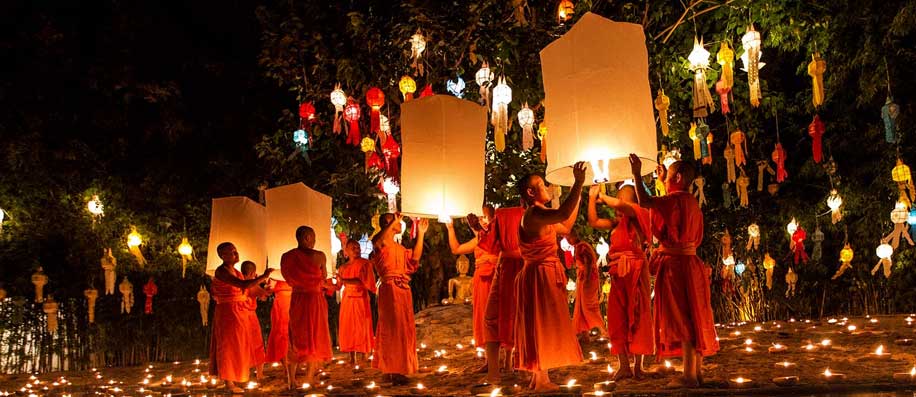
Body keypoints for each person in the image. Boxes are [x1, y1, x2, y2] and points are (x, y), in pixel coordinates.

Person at [626, 154, 719, 388]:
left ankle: (688, 376)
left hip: (676, 268)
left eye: (667, 177)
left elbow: (646, 201)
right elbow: (667, 207)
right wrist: (661, 181)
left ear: (677, 177)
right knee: (695, 315)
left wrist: (637, 173)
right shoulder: (690, 201)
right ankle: (695, 372)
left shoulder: (674, 200)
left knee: (682, 318)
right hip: (692, 264)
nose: (664, 180)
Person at [514, 162, 587, 392]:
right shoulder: (534, 213)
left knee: (542, 322)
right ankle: (541, 379)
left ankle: (539, 377)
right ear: (530, 192)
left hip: (542, 273)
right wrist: (577, 182)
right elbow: (563, 213)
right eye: (541, 184)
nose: (547, 187)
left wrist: (581, 191)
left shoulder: (542, 214)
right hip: (539, 275)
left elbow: (565, 225)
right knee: (540, 322)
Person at [587, 181, 654, 380]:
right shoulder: (616, 224)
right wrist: (592, 198)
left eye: (623, 199)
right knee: (617, 317)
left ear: (634, 203)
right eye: (618, 197)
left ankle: (638, 366)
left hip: (636, 273)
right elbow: (593, 222)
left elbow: (622, 206)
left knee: (639, 315)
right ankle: (623, 365)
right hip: (617, 275)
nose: (618, 203)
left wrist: (606, 198)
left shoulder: (640, 217)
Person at [371, 213, 429, 385]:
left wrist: (421, 233)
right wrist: (395, 220)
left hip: (403, 288)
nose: (401, 223)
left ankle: (399, 368)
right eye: (397, 221)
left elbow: (415, 259)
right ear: (388, 223)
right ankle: (390, 369)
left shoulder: (399, 247)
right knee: (391, 328)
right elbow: (379, 242)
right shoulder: (379, 241)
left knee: (403, 329)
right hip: (389, 287)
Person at [208, 242, 273, 393]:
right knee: (228, 346)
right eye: (232, 252)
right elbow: (243, 285)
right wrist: (263, 277)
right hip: (227, 312)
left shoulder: (236, 271)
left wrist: (264, 292)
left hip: (239, 312)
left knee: (239, 345)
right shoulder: (221, 272)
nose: (236, 255)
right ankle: (228, 382)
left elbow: (249, 288)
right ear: (223, 256)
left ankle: (238, 376)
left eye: (236, 251)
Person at [280, 226, 333, 389]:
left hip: (297, 299)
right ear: (307, 237)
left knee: (296, 336)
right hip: (314, 299)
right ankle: (309, 376)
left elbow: (287, 277)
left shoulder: (287, 257)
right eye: (314, 237)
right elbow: (324, 276)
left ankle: (291, 380)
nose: (315, 240)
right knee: (315, 336)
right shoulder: (319, 256)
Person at [480, 205, 526, 383]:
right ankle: (494, 371)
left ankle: (521, 367)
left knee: (522, 320)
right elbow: (491, 243)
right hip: (505, 266)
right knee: (492, 318)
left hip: (525, 267)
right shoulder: (504, 215)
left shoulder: (536, 214)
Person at [444, 206, 498, 350]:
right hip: (481, 280)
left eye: (485, 217)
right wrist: (450, 228)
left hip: (497, 278)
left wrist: (477, 229)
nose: (482, 220)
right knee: (483, 316)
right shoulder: (477, 240)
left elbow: (491, 245)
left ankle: (507, 359)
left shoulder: (498, 235)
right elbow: (456, 249)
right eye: (480, 218)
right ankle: (489, 359)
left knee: (499, 315)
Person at [336, 239, 377, 366]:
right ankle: (351, 356)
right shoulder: (343, 268)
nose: (357, 250)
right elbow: (338, 286)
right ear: (346, 251)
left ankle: (364, 353)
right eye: (353, 248)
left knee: (362, 325)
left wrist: (344, 280)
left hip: (360, 298)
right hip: (347, 299)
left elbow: (363, 282)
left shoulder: (365, 264)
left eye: (358, 247)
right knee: (348, 326)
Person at [566, 228, 608, 341]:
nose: (568, 241)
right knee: (580, 304)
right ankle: (584, 333)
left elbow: (588, 264)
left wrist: (587, 278)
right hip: (582, 278)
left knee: (588, 305)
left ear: (575, 235)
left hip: (588, 279)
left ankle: (601, 330)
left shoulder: (582, 246)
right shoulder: (578, 247)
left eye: (569, 238)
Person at [240, 261, 268, 381]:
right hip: (249, 316)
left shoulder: (238, 282)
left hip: (239, 316)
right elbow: (263, 295)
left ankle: (243, 373)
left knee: (242, 344)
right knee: (256, 344)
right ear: (252, 273)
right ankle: (259, 374)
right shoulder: (250, 284)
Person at [264, 277, 292, 364]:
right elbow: (268, 290)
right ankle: (285, 363)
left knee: (292, 334)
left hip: (293, 302)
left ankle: (293, 362)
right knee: (281, 334)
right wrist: (267, 286)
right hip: (280, 306)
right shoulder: (274, 275)